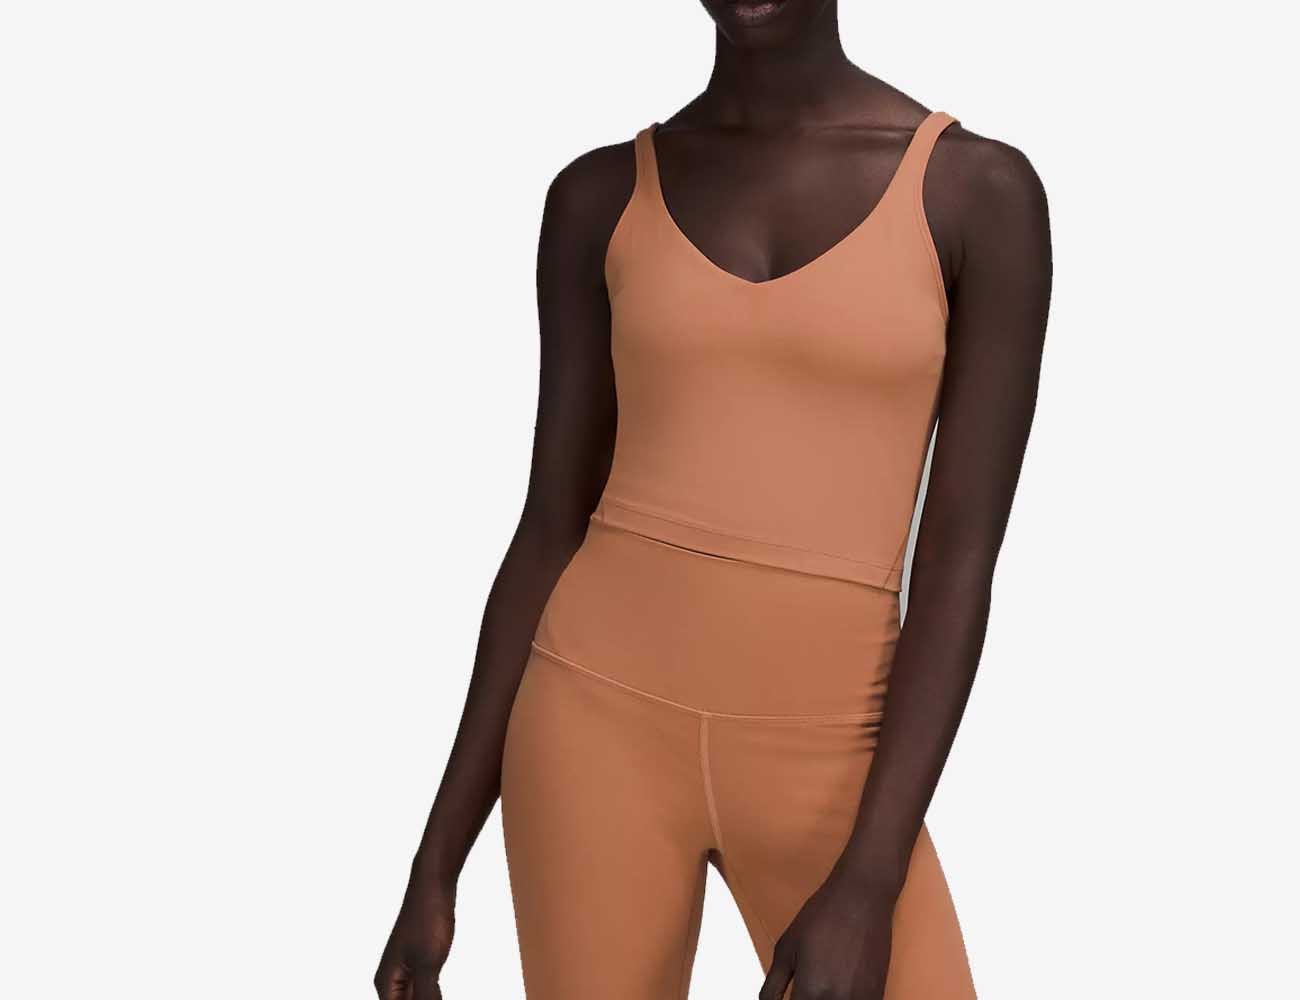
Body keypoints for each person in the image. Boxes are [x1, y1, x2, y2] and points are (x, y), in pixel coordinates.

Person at [375, 0, 1051, 996]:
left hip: (835, 754)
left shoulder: (977, 193)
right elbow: (550, 527)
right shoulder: (598, 198)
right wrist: (436, 864)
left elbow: (958, 563)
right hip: (591, 726)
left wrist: (871, 879)